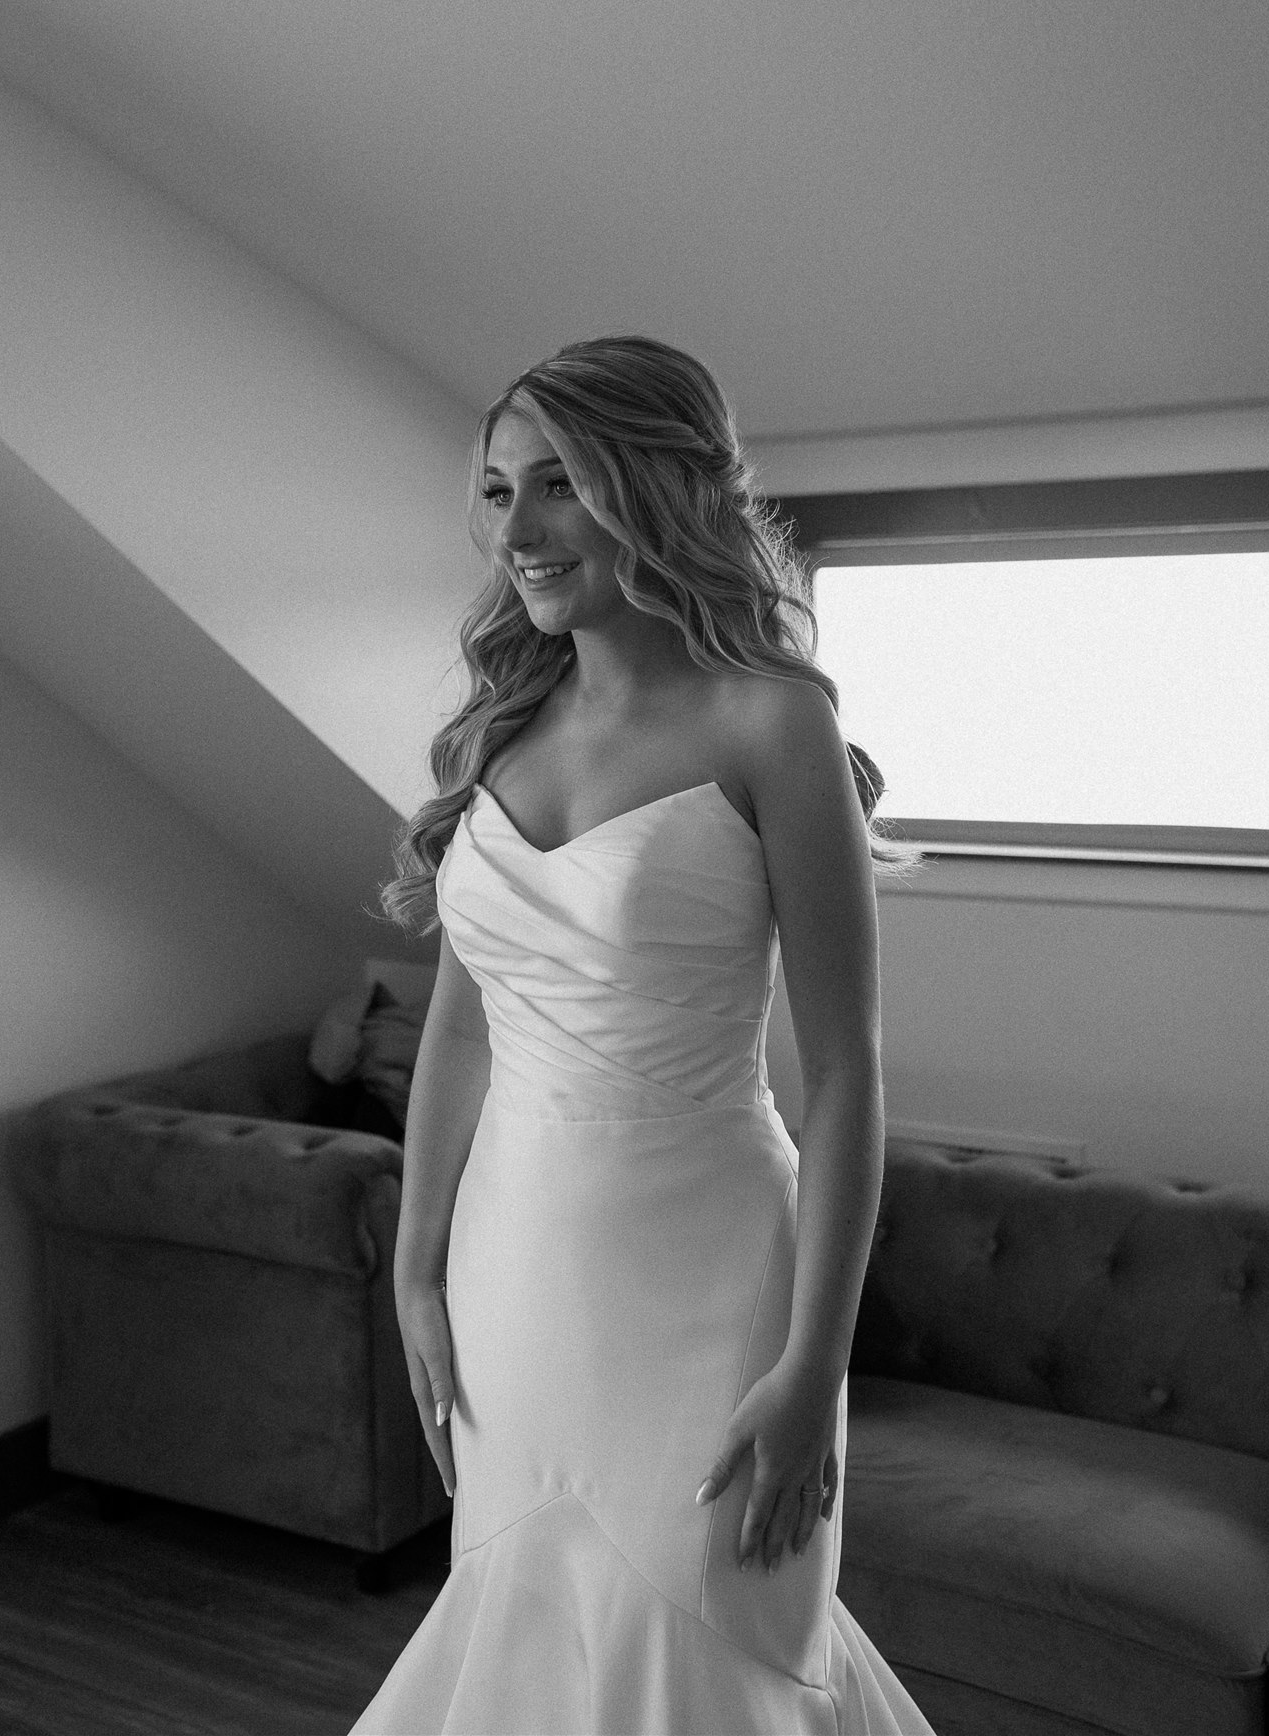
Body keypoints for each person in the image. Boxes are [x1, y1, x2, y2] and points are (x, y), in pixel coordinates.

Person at [350, 336, 935, 1735]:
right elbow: (460, 1034)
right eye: (496, 490)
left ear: (659, 488)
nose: (519, 530)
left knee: (717, 1642)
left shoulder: (770, 722)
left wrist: (812, 1367)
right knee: (524, 1629)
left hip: (712, 1278)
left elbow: (847, 1078)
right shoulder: (500, 725)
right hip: (512, 1271)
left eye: (561, 484)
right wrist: (416, 1274)